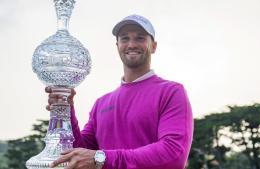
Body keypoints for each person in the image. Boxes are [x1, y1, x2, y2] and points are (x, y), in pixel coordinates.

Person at [46, 14, 193, 169]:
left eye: (140, 38)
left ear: (154, 46)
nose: (131, 44)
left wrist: (102, 159)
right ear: (117, 45)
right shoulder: (101, 104)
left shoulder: (171, 92)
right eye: (124, 38)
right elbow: (79, 153)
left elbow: (173, 154)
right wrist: (66, 111)